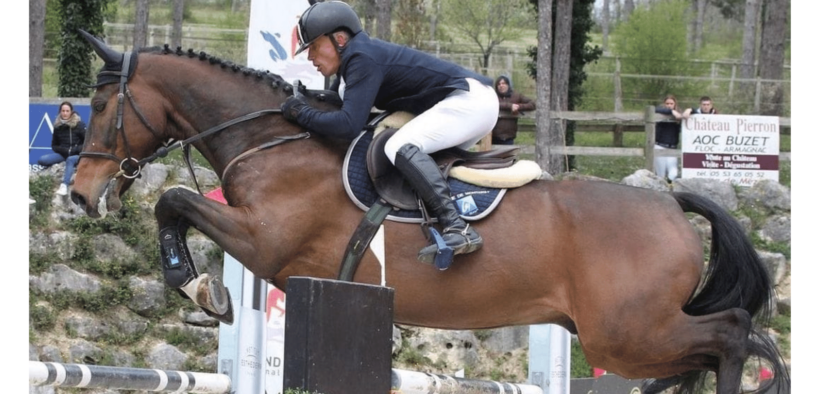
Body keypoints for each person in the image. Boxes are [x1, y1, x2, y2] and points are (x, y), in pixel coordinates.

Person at [280, 1, 498, 266]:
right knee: (410, 157)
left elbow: (348, 125)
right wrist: (306, 99)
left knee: (398, 146)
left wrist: (301, 114)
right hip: (467, 102)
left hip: (471, 102)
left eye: (313, 46)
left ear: (339, 39)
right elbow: (338, 105)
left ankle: (458, 228)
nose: (310, 56)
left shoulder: (361, 58)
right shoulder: (351, 63)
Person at [37, 101, 86, 196]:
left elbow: (86, 143)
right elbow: (54, 145)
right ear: (60, 112)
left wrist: (74, 150)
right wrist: (64, 150)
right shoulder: (57, 126)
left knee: (70, 159)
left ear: (71, 112)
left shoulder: (79, 125)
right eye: (63, 111)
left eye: (67, 111)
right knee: (42, 160)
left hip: (77, 155)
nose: (65, 113)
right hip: (63, 154)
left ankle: (64, 185)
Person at [491, 75, 535, 145]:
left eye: (503, 83)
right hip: (494, 136)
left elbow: (532, 104)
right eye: (499, 84)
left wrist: (518, 107)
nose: (501, 86)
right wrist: (510, 106)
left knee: (508, 155)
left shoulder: (516, 96)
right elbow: (492, 104)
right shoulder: (493, 96)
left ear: (508, 85)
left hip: (509, 136)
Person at [653, 95, 687, 182]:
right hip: (660, 146)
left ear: (675, 104)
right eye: (667, 103)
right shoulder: (660, 113)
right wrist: (671, 111)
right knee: (661, 175)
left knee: (673, 173)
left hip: (672, 148)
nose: (669, 105)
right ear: (664, 104)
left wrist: (676, 113)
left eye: (671, 103)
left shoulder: (678, 114)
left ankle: (670, 188)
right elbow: (654, 109)